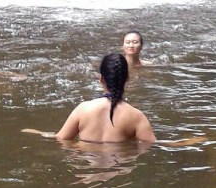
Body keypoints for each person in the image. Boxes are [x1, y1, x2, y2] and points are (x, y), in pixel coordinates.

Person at [22, 52, 156, 144]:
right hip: (120, 174)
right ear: (127, 78)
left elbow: (61, 139)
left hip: (87, 174)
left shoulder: (83, 109)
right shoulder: (136, 116)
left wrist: (38, 132)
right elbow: (152, 144)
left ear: (101, 79)